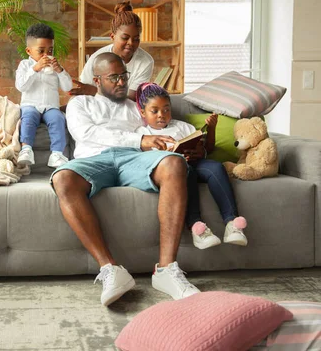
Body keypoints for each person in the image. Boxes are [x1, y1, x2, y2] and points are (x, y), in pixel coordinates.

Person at [51, 52, 200, 307]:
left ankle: (166, 271)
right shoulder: (81, 104)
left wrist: (188, 147)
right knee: (63, 178)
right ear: (97, 81)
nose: (121, 82)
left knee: (175, 164)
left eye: (124, 76)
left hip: (135, 159)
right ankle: (111, 270)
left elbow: (163, 125)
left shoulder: (137, 107)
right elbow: (86, 133)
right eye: (114, 78)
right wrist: (139, 140)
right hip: (95, 160)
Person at [134, 83, 248, 250]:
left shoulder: (182, 126)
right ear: (143, 112)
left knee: (216, 167)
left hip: (193, 162)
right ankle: (197, 228)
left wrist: (200, 148)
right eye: (155, 111)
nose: (162, 115)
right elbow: (143, 160)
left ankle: (232, 223)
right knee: (187, 173)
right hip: (174, 170)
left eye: (166, 109)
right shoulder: (142, 134)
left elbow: (205, 149)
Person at [70, 0, 154, 102]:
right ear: (112, 36)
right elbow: (83, 91)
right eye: (125, 38)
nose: (131, 43)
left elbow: (131, 100)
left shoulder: (145, 61)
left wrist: (94, 91)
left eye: (136, 39)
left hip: (125, 110)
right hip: (97, 106)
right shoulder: (97, 58)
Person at [15, 23, 73, 168]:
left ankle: (57, 154)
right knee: (28, 118)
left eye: (50, 50)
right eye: (41, 51)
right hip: (30, 105)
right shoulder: (24, 65)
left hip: (50, 106)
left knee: (58, 118)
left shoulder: (55, 67)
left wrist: (60, 70)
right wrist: (35, 69)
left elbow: (68, 87)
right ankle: (26, 149)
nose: (46, 55)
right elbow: (21, 86)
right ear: (29, 50)